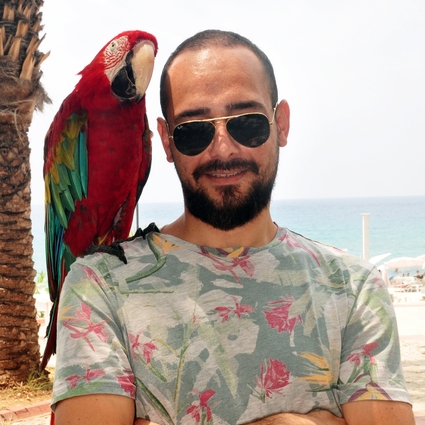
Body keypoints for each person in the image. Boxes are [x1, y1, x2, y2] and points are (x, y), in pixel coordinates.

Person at [51, 30, 415, 425]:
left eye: (247, 124)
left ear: (282, 124)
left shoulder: (354, 287)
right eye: (194, 130)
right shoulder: (99, 285)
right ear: (167, 142)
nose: (223, 149)